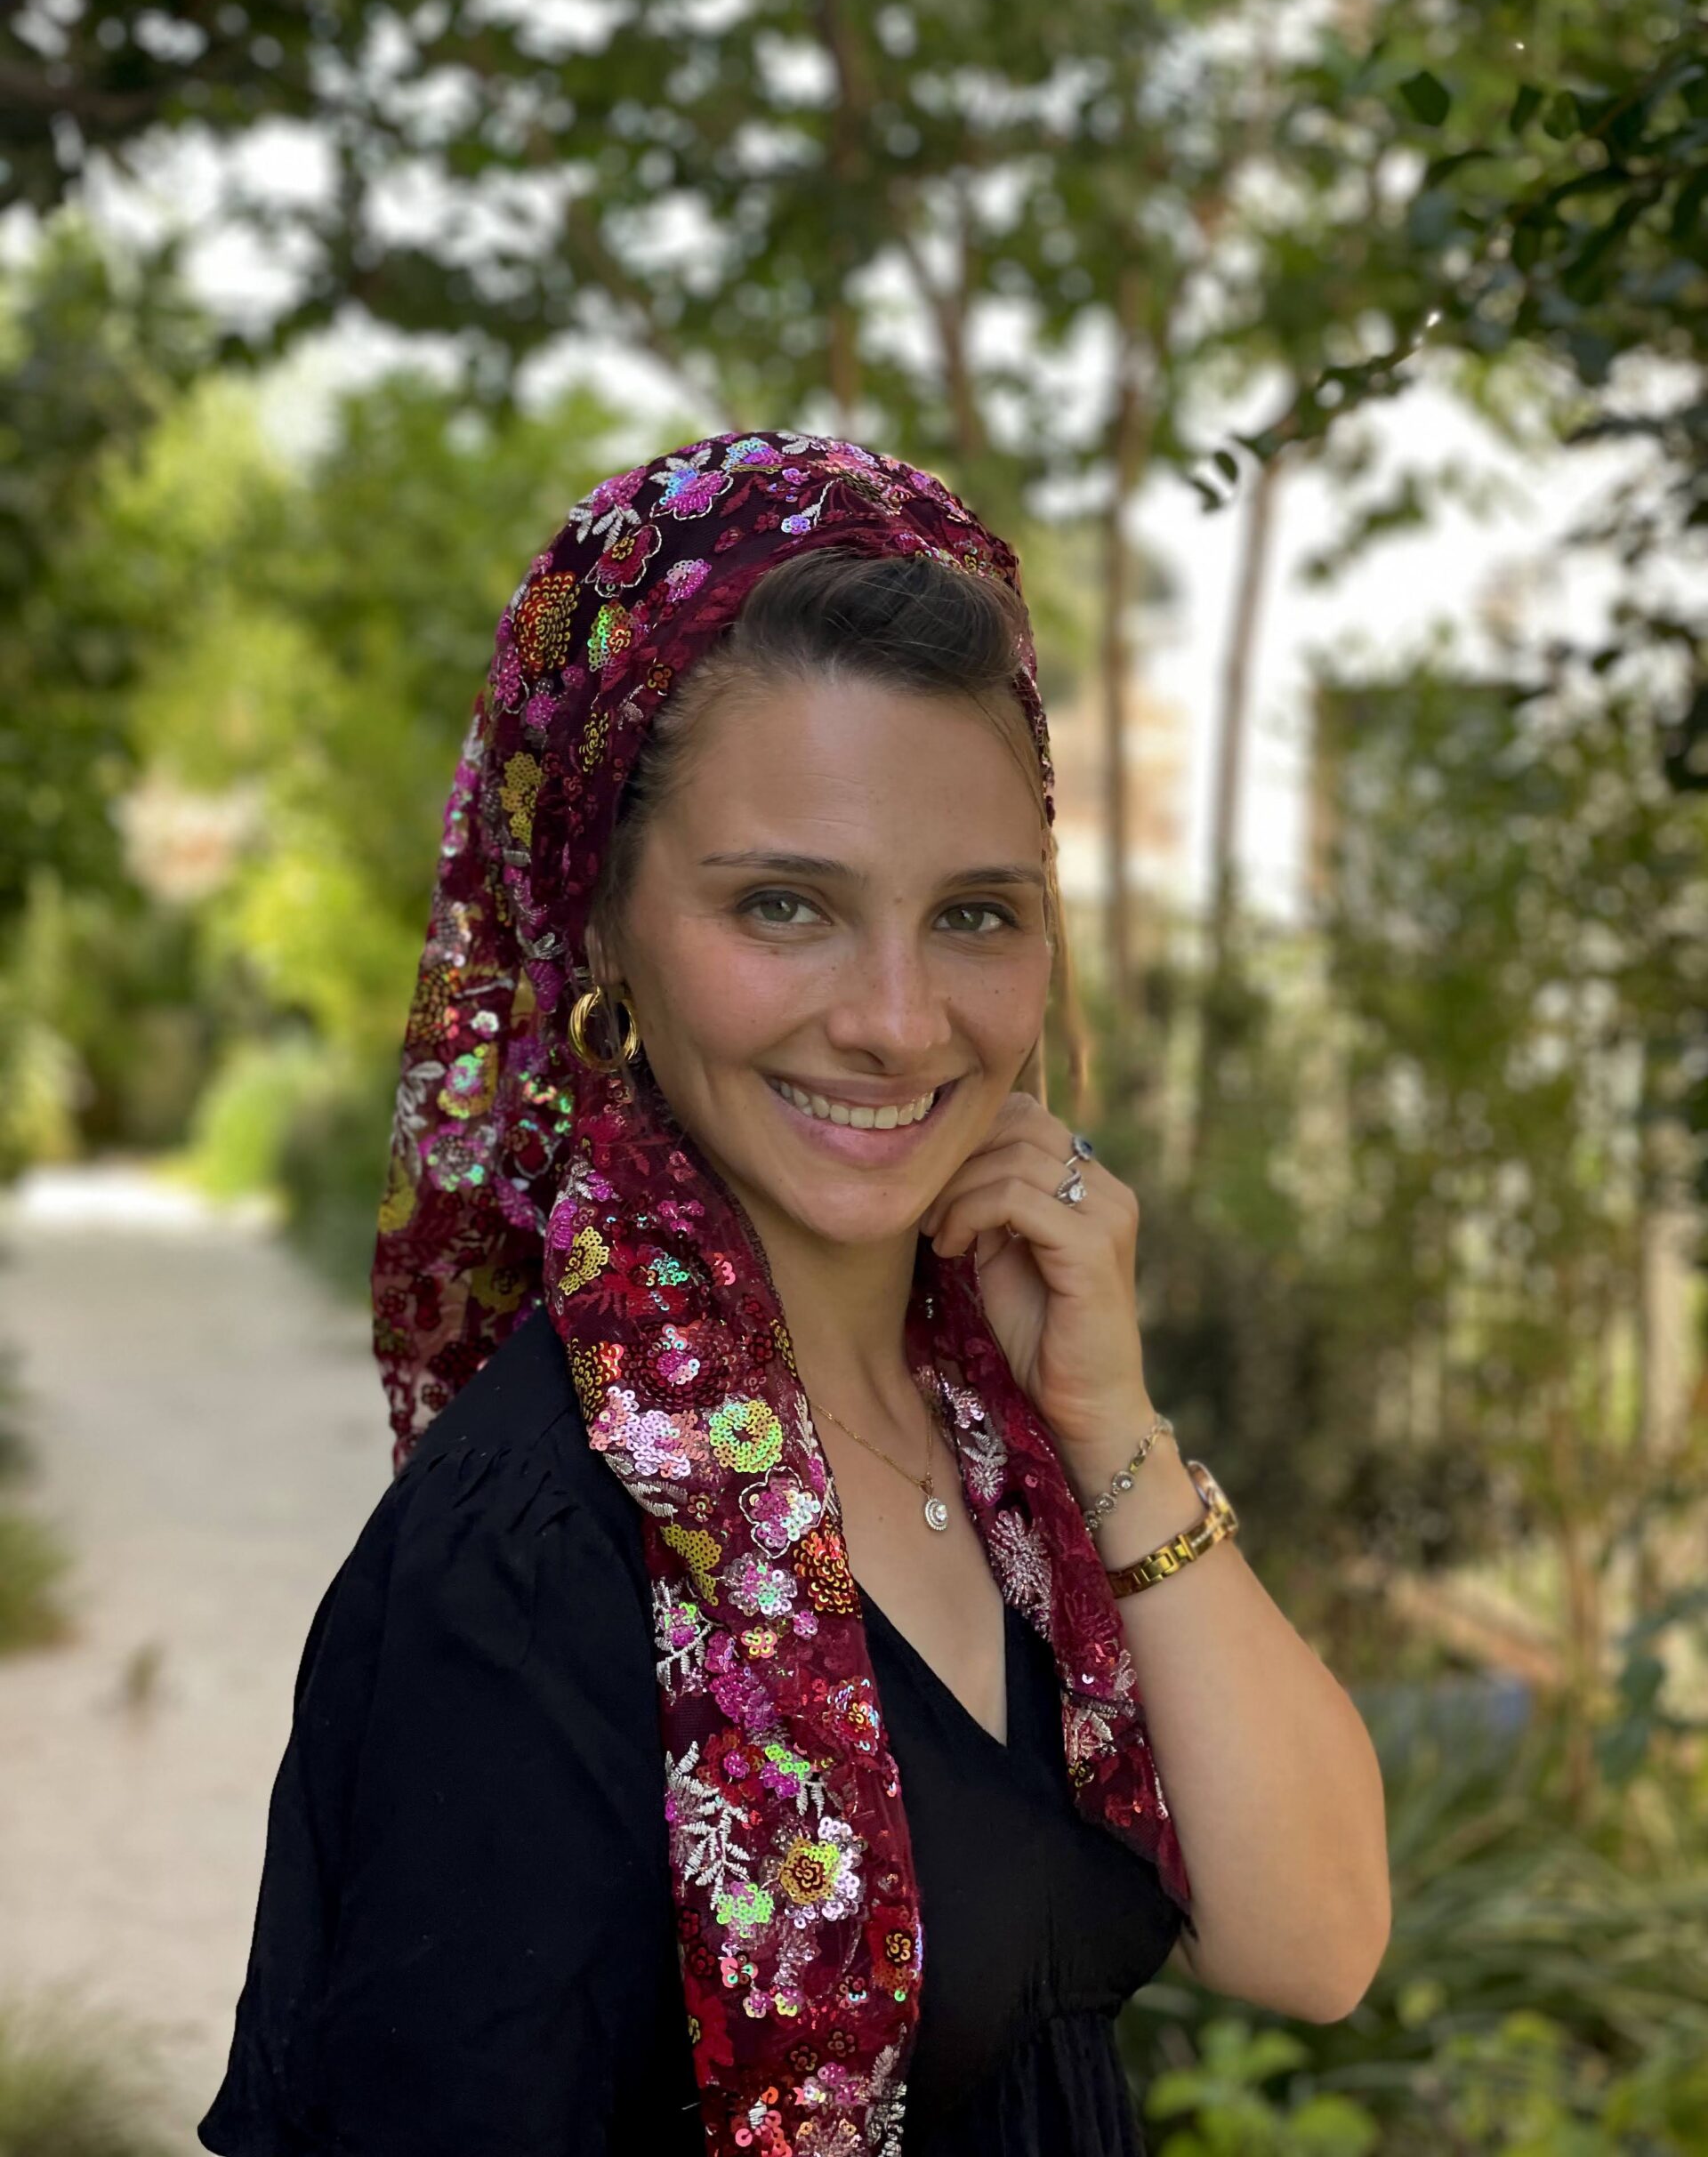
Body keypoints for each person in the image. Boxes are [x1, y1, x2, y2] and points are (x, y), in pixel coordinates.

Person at [199, 432, 1390, 2157]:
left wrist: (1110, 1419)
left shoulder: (1001, 1426)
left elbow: (1315, 1940)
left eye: (974, 914)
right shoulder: (536, 1557)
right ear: (602, 928)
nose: (899, 1021)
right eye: (785, 905)